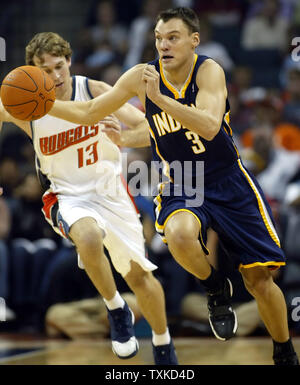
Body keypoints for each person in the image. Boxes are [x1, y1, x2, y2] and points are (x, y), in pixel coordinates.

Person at [48, 7, 299, 365]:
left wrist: (161, 100)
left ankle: (284, 351)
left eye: (172, 37)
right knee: (180, 235)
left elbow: (209, 126)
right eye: (158, 38)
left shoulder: (208, 70)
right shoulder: (141, 75)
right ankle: (214, 288)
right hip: (184, 177)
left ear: (193, 41)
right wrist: (50, 105)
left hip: (228, 178)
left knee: (260, 280)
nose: (163, 45)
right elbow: (94, 113)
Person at [0, 32, 178, 365]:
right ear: (33, 72)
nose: (55, 76)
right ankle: (116, 309)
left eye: (59, 66)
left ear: (69, 61)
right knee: (89, 236)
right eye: (46, 70)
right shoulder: (25, 105)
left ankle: (163, 342)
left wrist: (122, 137)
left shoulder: (94, 90)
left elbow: (149, 127)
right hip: (66, 195)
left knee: (140, 277)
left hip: (111, 193)